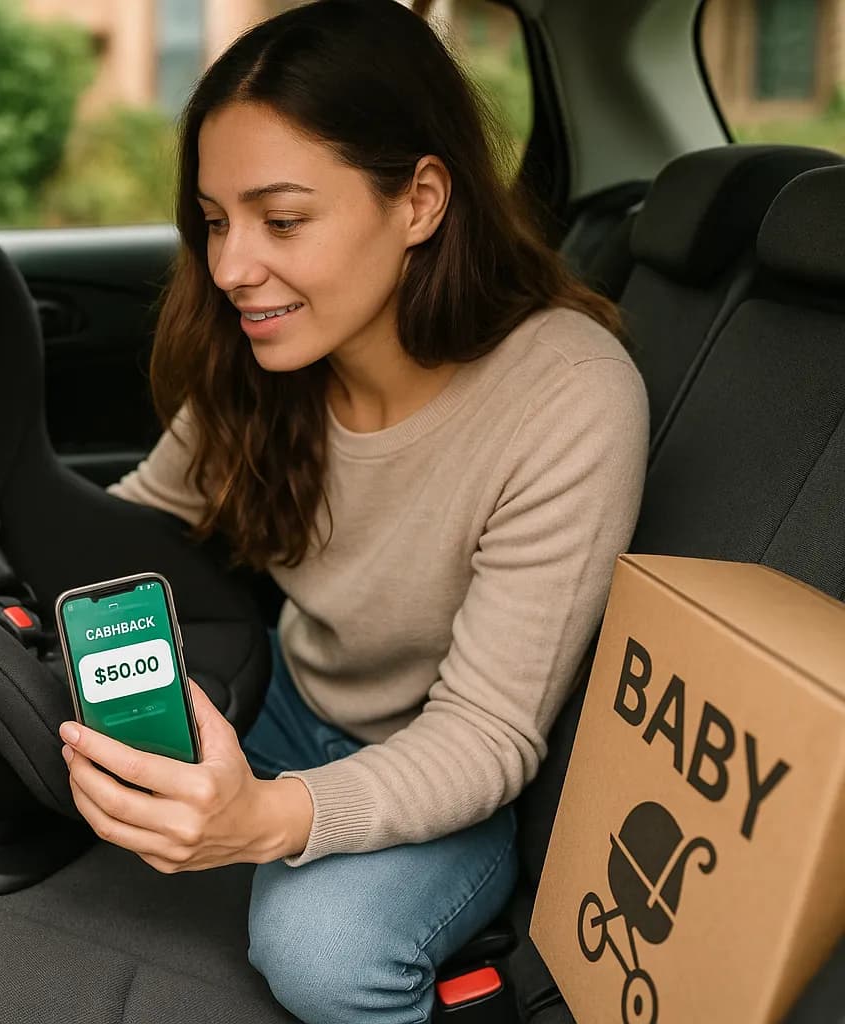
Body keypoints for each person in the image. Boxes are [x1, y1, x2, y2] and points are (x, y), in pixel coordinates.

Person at [54, 1, 649, 1021]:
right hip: (285, 695)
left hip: (446, 767)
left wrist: (268, 818)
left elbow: (486, 734)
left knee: (320, 948)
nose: (231, 268)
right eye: (215, 219)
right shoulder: (264, 357)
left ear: (420, 200)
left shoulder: (568, 395)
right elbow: (137, 525)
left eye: (282, 220)